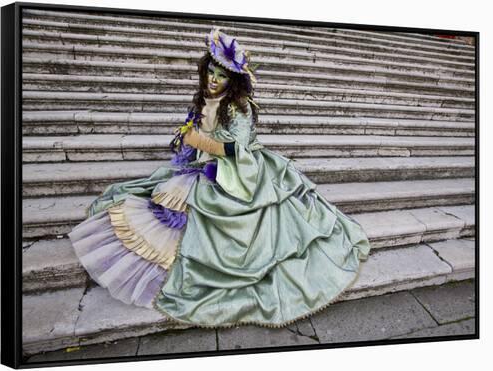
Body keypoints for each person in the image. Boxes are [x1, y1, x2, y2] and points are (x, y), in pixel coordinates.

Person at [68, 28, 371, 328]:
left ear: (233, 80)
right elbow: (195, 131)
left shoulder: (240, 109)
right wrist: (188, 138)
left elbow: (235, 149)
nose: (213, 80)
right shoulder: (202, 98)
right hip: (204, 168)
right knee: (163, 200)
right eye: (210, 72)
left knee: (233, 217)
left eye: (221, 75)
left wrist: (199, 142)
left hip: (239, 172)